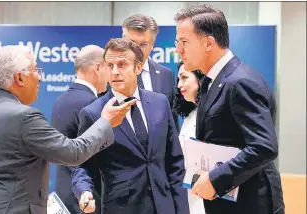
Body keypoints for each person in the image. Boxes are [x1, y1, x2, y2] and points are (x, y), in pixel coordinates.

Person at [0, 45, 136, 214]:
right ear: (19, 78)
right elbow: (73, 153)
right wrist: (105, 122)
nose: (40, 77)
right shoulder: (23, 117)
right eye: (35, 70)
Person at [174, 4, 285, 214]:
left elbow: (264, 147)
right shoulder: (211, 81)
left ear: (208, 43)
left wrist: (217, 179)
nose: (178, 49)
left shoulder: (240, 82)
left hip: (251, 203)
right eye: (177, 42)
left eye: (184, 42)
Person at [72, 38, 189, 214]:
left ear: (138, 68)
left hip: (164, 205)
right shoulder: (93, 113)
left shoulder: (160, 103)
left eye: (122, 64)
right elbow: (82, 165)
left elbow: (175, 163)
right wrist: (84, 190)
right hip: (121, 208)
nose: (114, 72)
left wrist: (182, 209)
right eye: (109, 65)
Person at [51, 45, 107, 214]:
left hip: (63, 194)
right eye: (108, 67)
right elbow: (95, 156)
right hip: (87, 198)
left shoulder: (59, 101)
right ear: (97, 68)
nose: (111, 75)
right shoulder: (92, 104)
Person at [122, 14, 179, 128]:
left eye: (143, 44)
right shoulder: (107, 73)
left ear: (152, 45)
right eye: (132, 43)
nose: (136, 49)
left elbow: (172, 123)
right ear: (122, 40)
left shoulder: (166, 75)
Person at [172, 62, 205, 214]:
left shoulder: (211, 115)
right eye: (178, 79)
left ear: (200, 79)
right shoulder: (190, 116)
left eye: (184, 78)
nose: (179, 85)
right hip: (189, 196)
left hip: (208, 196)